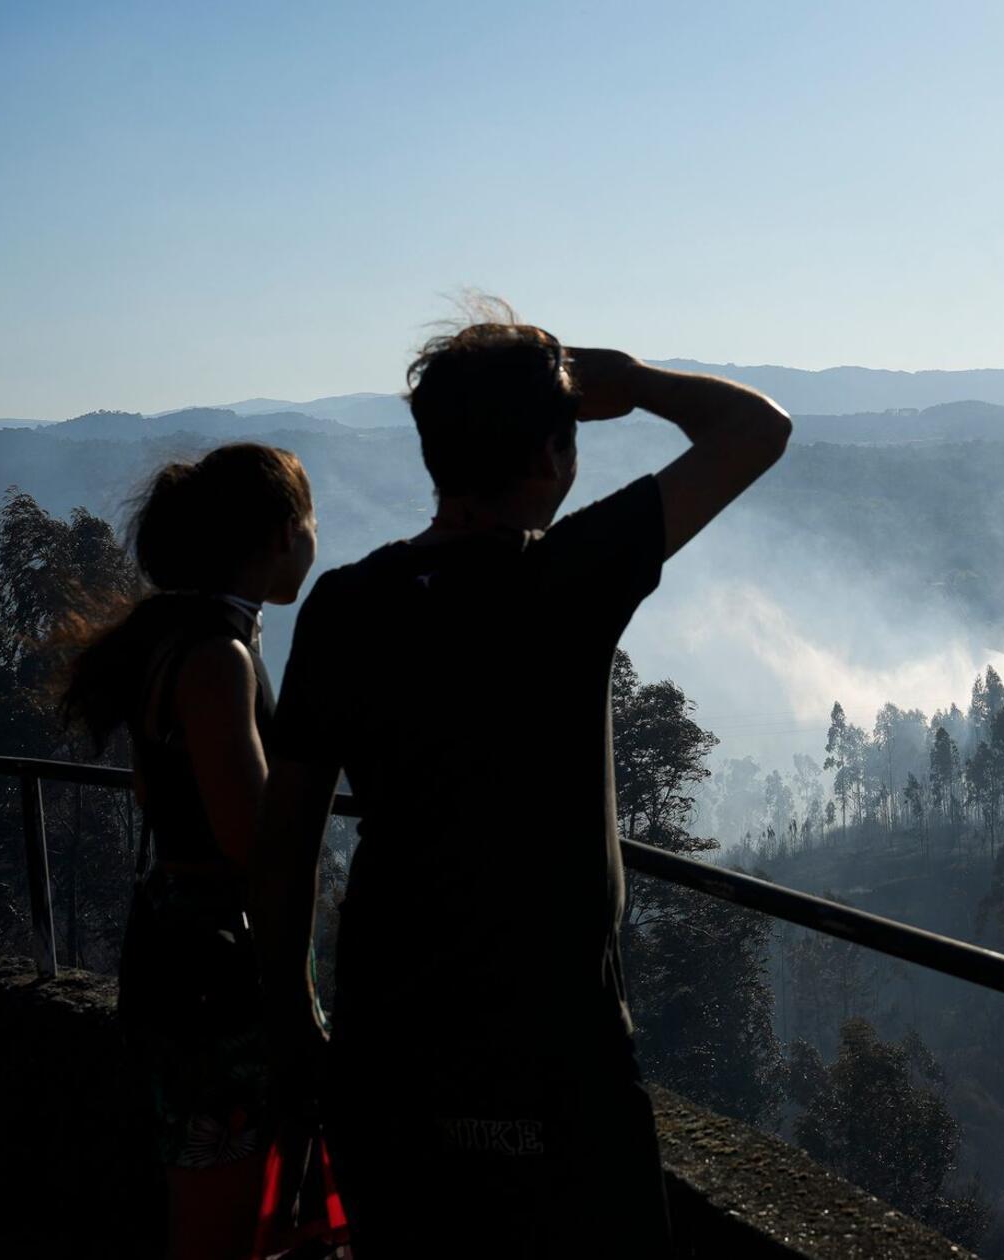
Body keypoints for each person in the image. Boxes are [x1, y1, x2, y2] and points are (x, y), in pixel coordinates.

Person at [253, 303, 791, 1256]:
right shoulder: (570, 578)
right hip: (555, 1038)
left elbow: (288, 830)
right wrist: (632, 379)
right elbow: (759, 429)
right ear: (548, 457)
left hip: (389, 1035)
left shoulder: (344, 605)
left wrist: (295, 1009)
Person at [59, 443, 319, 1260]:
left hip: (180, 955)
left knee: (212, 1194)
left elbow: (158, 791)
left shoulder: (183, 642)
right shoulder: (219, 659)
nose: (316, 538)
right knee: (222, 1216)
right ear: (282, 533)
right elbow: (254, 841)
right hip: (220, 973)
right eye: (310, 520)